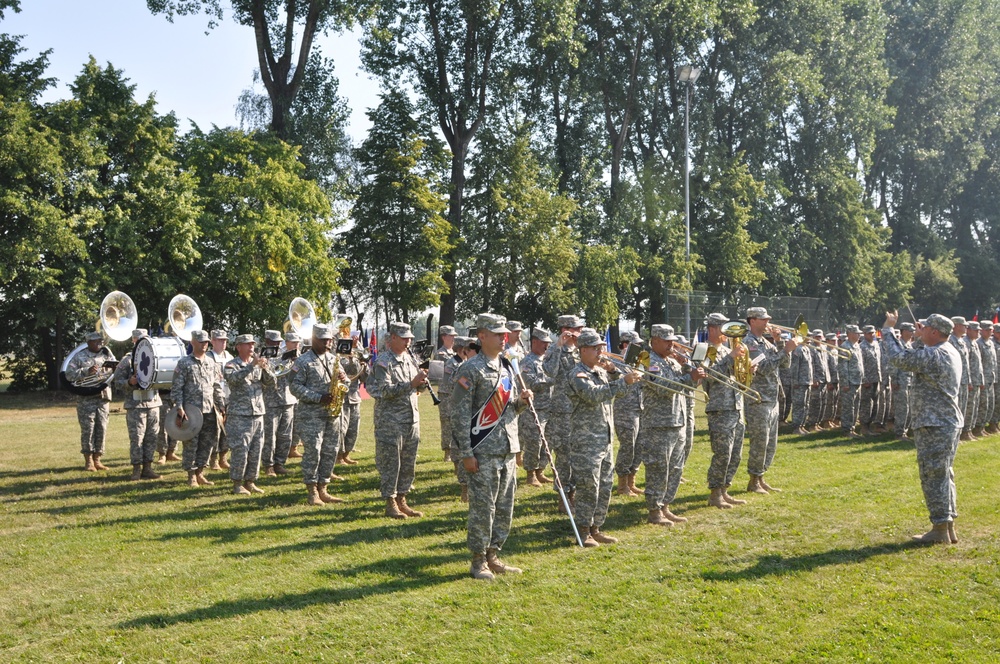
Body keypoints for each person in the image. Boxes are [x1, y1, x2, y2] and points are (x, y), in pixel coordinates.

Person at [451, 313, 531, 579]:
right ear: (482, 336)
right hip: (482, 450)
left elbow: (508, 410)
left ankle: (493, 554)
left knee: (505, 507)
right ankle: (478, 561)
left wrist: (521, 402)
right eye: (497, 334)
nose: (503, 338)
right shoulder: (470, 369)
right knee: (483, 509)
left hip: (507, 448)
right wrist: (466, 453)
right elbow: (460, 414)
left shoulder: (507, 367)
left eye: (504, 333)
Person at [882, 312, 962, 544]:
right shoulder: (946, 350)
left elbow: (901, 359)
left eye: (925, 327)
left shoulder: (936, 354)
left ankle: (939, 529)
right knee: (944, 474)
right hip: (944, 422)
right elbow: (916, 354)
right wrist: (919, 337)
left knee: (933, 475)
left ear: (935, 332)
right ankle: (947, 526)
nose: (921, 328)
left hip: (935, 424)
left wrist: (888, 330)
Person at [566, 328, 641, 546]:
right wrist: (621, 381)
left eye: (601, 347)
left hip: (604, 438)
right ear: (583, 350)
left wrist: (616, 372)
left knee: (605, 485)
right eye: (595, 348)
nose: (600, 352)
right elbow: (593, 395)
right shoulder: (577, 374)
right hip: (585, 440)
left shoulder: (599, 371)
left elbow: (621, 392)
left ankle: (596, 527)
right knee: (589, 486)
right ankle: (583, 530)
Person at [638, 324, 705, 525]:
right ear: (654, 341)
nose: (671, 344)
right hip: (659, 424)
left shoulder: (671, 361)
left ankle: (665, 505)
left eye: (672, 340)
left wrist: (690, 368)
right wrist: (689, 377)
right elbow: (664, 388)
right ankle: (654, 510)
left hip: (678, 421)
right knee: (658, 468)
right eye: (666, 341)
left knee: (675, 467)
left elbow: (687, 386)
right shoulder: (649, 360)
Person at [366, 321, 429, 519]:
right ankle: (390, 501)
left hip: (411, 419)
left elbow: (414, 390)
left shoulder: (410, 359)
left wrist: (421, 384)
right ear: (393, 338)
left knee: (408, 462)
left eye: (409, 338)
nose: (408, 341)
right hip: (390, 422)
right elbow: (383, 390)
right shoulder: (384, 362)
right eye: (404, 338)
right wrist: (411, 384)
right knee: (390, 463)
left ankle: (402, 498)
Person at [289, 323, 353, 506]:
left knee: (330, 451)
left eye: (329, 340)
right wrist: (318, 397)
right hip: (311, 415)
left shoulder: (334, 359)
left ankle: (323, 487)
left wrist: (344, 381)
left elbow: (346, 382)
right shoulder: (302, 361)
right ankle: (312, 492)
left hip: (332, 414)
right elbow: (294, 386)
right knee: (313, 452)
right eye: (323, 340)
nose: (327, 343)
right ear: (314, 339)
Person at [743, 307, 796, 493]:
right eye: (763, 319)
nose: (767, 322)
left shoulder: (765, 342)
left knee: (770, 443)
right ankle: (753, 480)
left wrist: (780, 343)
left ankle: (761, 476)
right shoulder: (749, 343)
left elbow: (785, 364)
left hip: (772, 397)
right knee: (759, 442)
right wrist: (784, 351)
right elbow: (764, 367)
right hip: (758, 399)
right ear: (752, 321)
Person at [701, 313, 749, 509]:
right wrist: (730, 358)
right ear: (712, 329)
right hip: (720, 409)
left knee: (735, 453)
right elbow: (708, 375)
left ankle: (724, 490)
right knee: (722, 453)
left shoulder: (727, 349)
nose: (728, 333)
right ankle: (715, 493)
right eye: (724, 328)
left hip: (736, 407)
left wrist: (746, 367)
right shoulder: (704, 349)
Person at [171, 329, 226, 487]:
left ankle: (200, 471)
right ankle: (191, 475)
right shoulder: (184, 363)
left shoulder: (211, 362)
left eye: (206, 342)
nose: (204, 345)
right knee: (191, 443)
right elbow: (177, 388)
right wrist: (179, 407)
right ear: (192, 343)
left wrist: (221, 406)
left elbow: (216, 386)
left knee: (207, 442)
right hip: (191, 411)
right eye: (201, 342)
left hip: (209, 409)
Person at [541, 314, 585, 510]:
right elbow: (549, 371)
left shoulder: (581, 350)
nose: (580, 333)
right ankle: (563, 496)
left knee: (578, 453)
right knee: (564, 456)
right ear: (565, 330)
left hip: (580, 409)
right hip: (562, 411)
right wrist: (559, 345)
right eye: (576, 329)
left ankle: (575, 492)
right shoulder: (554, 350)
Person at [224, 334, 276, 495]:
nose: (251, 347)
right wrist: (251, 366)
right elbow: (233, 380)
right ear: (238, 347)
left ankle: (250, 481)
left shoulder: (258, 364)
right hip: (240, 415)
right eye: (247, 344)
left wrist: (265, 368)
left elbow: (272, 383)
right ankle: (237, 483)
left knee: (256, 449)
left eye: (253, 344)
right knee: (241, 450)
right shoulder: (231, 365)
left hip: (258, 413)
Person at [112, 329, 162, 481]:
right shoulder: (127, 360)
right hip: (136, 406)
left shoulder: (156, 357)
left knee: (152, 438)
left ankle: (148, 468)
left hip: (153, 404)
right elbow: (117, 382)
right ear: (134, 340)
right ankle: (136, 469)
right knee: (137, 439)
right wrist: (129, 382)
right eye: (140, 339)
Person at [66, 331, 116, 471]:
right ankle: (88, 460)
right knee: (88, 429)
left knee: (102, 428)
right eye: (95, 341)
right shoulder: (79, 356)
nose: (99, 343)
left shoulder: (106, 354)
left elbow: (115, 370)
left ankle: (98, 459)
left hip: (103, 397)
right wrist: (86, 372)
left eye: (100, 340)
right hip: (86, 398)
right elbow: (69, 375)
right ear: (88, 342)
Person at [519, 328, 555, 488]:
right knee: (534, 443)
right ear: (534, 342)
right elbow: (531, 384)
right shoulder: (527, 362)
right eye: (544, 343)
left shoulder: (547, 361)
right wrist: (553, 380)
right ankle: (530, 474)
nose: (546, 346)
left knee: (549, 442)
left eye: (548, 343)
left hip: (550, 408)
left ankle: (541, 470)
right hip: (534, 409)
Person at [612, 331, 644, 496]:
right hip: (625, 410)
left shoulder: (638, 362)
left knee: (639, 446)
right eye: (635, 345)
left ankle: (632, 481)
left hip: (640, 408)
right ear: (625, 345)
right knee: (628, 446)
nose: (639, 348)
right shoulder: (615, 362)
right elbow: (613, 381)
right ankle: (622, 484)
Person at [263, 331, 299, 477]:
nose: (276, 344)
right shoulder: (263, 356)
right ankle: (268, 465)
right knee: (270, 436)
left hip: (288, 399)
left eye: (278, 341)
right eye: (273, 342)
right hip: (271, 401)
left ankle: (279, 463)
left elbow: (294, 376)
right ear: (267, 341)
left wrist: (296, 362)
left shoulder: (287, 355)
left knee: (286, 435)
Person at [338, 331, 368, 466]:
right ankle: (338, 456)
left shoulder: (357, 357)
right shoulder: (338, 357)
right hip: (341, 397)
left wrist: (364, 366)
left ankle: (346, 454)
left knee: (353, 428)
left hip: (355, 396)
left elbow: (364, 379)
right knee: (341, 428)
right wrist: (350, 359)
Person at [207, 329, 234, 469]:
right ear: (213, 341)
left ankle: (223, 457)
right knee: (214, 430)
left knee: (227, 430)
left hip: (229, 396)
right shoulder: (208, 357)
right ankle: (213, 459)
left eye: (225, 340)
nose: (224, 343)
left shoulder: (229, 356)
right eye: (220, 340)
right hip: (213, 399)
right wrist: (218, 401)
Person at [435, 325, 458, 460]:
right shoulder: (440, 354)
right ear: (444, 337)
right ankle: (447, 451)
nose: (453, 338)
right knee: (446, 421)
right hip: (445, 393)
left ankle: (455, 448)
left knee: (455, 421)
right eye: (451, 336)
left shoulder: (456, 353)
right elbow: (436, 374)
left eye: (454, 336)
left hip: (456, 392)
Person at [838, 325, 865, 437]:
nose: (859, 335)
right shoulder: (845, 347)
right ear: (849, 334)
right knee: (848, 407)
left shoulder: (857, 346)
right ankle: (847, 429)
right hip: (849, 382)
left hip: (857, 381)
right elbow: (842, 367)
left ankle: (852, 427)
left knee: (855, 405)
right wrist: (845, 383)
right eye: (856, 333)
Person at [858, 325, 882, 436]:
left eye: (873, 333)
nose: (872, 335)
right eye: (869, 333)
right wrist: (864, 379)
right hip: (867, 380)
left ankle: (870, 425)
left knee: (875, 404)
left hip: (876, 378)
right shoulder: (861, 347)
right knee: (866, 404)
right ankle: (864, 427)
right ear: (864, 334)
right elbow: (860, 365)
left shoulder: (876, 345)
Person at [788, 332, 814, 435]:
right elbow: (794, 367)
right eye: (807, 335)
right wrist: (795, 381)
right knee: (798, 405)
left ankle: (802, 425)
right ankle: (796, 427)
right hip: (800, 382)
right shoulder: (798, 349)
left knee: (805, 405)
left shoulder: (806, 348)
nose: (809, 337)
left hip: (807, 381)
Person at [963, 321, 983, 441]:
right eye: (976, 330)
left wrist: (981, 379)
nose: (978, 332)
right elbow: (967, 365)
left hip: (976, 380)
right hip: (969, 381)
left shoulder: (974, 343)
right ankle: (965, 431)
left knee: (974, 406)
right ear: (968, 330)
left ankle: (970, 430)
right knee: (968, 407)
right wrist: (969, 380)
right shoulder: (966, 343)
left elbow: (979, 364)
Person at [977, 321, 997, 436]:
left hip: (991, 378)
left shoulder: (990, 343)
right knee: (982, 403)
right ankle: (978, 427)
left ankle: (983, 426)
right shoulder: (979, 343)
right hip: (982, 379)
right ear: (982, 330)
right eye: (988, 330)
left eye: (991, 330)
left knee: (989, 403)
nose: (990, 332)